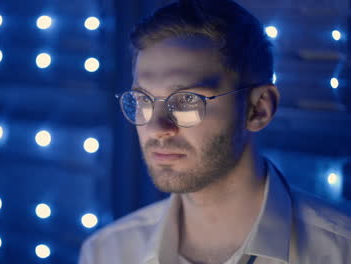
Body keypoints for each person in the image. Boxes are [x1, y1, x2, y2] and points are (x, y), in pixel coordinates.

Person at [79, 0, 351, 263]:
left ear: (258, 109)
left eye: (186, 100)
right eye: (142, 100)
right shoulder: (107, 253)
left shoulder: (341, 251)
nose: (156, 128)